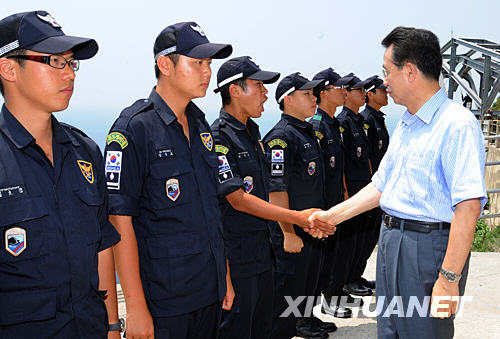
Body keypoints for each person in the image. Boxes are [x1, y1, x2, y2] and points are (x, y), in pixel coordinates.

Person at [309, 26, 487, 339]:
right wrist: (331, 216)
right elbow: (382, 185)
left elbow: (468, 205)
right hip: (392, 240)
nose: (384, 81)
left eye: (386, 72)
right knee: (390, 332)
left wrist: (449, 277)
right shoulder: (408, 122)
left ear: (409, 71)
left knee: (422, 332)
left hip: (427, 248)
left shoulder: (456, 125)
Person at [105, 22, 233, 339]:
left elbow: (211, 210)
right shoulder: (134, 129)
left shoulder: (201, 124)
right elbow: (119, 221)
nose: (207, 72)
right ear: (165, 64)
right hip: (165, 300)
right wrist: (134, 308)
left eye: (209, 64)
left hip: (209, 291)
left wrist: (225, 277)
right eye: (197, 63)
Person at [0, 10, 120, 338]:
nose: (69, 74)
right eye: (54, 61)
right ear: (9, 68)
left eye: (71, 63)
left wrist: (112, 326)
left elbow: (101, 245)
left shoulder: (85, 151)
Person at [211, 56, 334, 339]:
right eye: (258, 85)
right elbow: (238, 199)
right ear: (235, 90)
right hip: (238, 256)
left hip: (263, 251)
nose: (266, 92)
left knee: (267, 325)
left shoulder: (251, 133)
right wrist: (296, 220)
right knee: (240, 328)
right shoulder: (220, 137)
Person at [263, 72, 334, 339]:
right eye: (307, 94)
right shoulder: (281, 138)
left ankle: (303, 321)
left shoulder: (306, 131)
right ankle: (288, 328)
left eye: (314, 94)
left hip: (311, 226)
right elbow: (276, 190)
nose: (314, 99)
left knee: (307, 281)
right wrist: (288, 233)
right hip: (292, 230)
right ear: (288, 99)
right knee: (286, 292)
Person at [309, 68, 359, 319]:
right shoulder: (317, 126)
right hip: (323, 205)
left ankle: (332, 295)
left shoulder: (334, 126)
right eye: (338, 88)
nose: (343, 92)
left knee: (336, 254)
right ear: (324, 93)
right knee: (322, 260)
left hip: (337, 202)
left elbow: (339, 167)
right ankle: (326, 300)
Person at [336, 74, 375, 298]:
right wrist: (346, 194)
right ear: (346, 94)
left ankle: (354, 276)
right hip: (352, 193)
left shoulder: (359, 121)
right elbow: (342, 164)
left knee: (361, 241)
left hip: (365, 190)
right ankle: (345, 282)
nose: (363, 94)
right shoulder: (343, 123)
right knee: (348, 243)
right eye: (358, 90)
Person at [351, 75, 390, 291]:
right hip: (367, 188)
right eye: (381, 91)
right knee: (360, 237)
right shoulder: (366, 120)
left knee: (368, 237)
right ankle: (351, 279)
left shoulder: (376, 118)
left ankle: (357, 275)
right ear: (371, 94)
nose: (386, 94)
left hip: (377, 187)